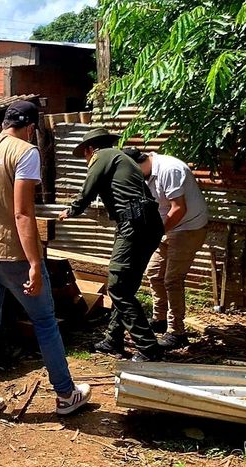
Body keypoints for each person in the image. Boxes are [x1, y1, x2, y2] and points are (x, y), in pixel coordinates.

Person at [0, 100, 92, 420]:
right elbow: (22, 213)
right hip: (14, 254)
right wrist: (35, 263)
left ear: (4, 123)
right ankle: (65, 395)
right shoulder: (26, 153)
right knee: (45, 322)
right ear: (31, 128)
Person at [58, 129, 164, 362]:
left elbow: (89, 187)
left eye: (84, 156)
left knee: (117, 287)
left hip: (134, 223)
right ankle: (113, 340)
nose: (86, 160)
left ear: (89, 149)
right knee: (126, 285)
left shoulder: (103, 156)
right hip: (148, 223)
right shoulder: (121, 158)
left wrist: (72, 210)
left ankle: (148, 347)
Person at [123, 148, 209, 350]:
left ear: (137, 164)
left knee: (172, 279)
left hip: (188, 227)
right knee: (154, 273)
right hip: (166, 227)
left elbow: (179, 209)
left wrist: (155, 233)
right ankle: (159, 319)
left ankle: (177, 332)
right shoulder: (145, 174)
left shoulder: (170, 169)